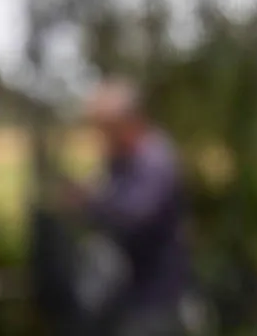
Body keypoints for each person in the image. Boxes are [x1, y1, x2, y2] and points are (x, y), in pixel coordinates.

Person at [61, 77, 190, 336]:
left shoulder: (155, 160)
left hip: (154, 300)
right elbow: (103, 189)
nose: (100, 137)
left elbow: (135, 215)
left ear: (128, 123)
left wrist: (89, 202)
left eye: (105, 129)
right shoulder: (120, 160)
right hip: (126, 296)